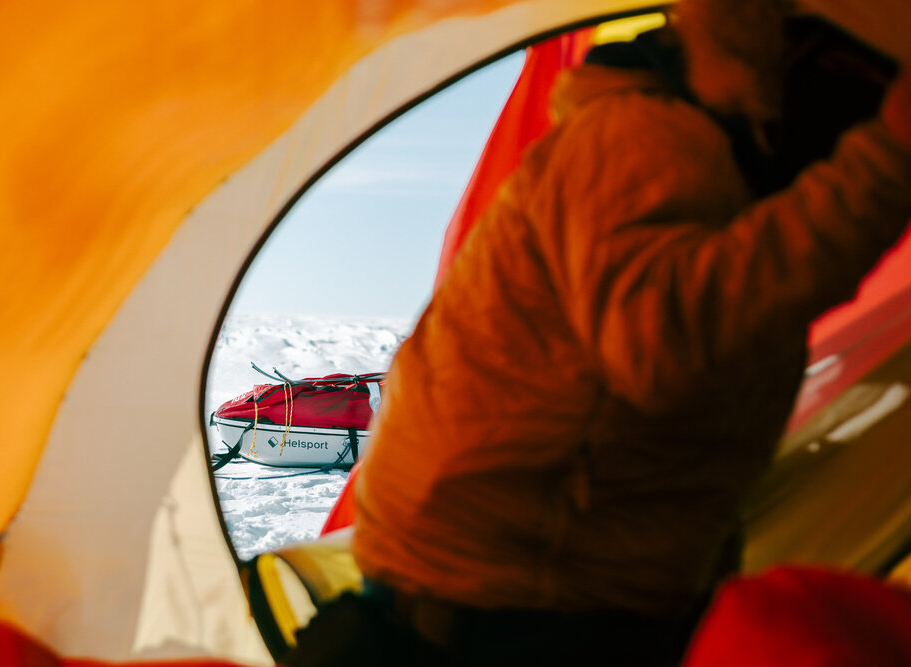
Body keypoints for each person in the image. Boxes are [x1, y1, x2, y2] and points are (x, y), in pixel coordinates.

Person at [284, 1, 911, 665]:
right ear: (787, 54)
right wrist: (888, 160)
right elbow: (662, 341)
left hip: (518, 594)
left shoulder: (686, 157)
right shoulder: (644, 138)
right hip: (514, 609)